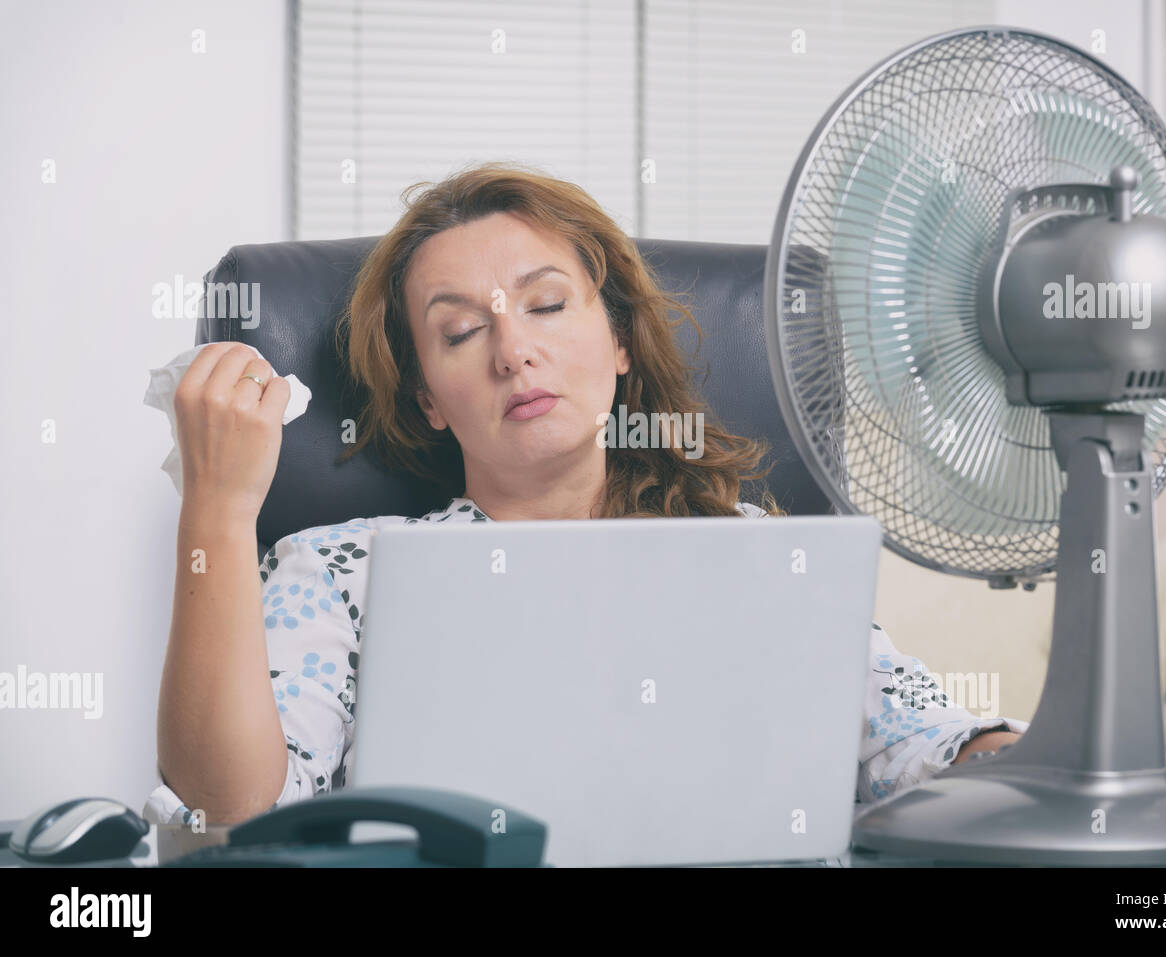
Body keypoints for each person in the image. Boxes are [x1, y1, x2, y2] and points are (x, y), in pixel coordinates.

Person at [147, 162, 1025, 829]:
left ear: (619, 344)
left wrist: (1036, 769)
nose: (513, 352)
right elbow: (235, 806)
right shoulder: (341, 567)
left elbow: (920, 740)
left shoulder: (754, 549)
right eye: (460, 331)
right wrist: (219, 510)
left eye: (547, 305)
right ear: (429, 401)